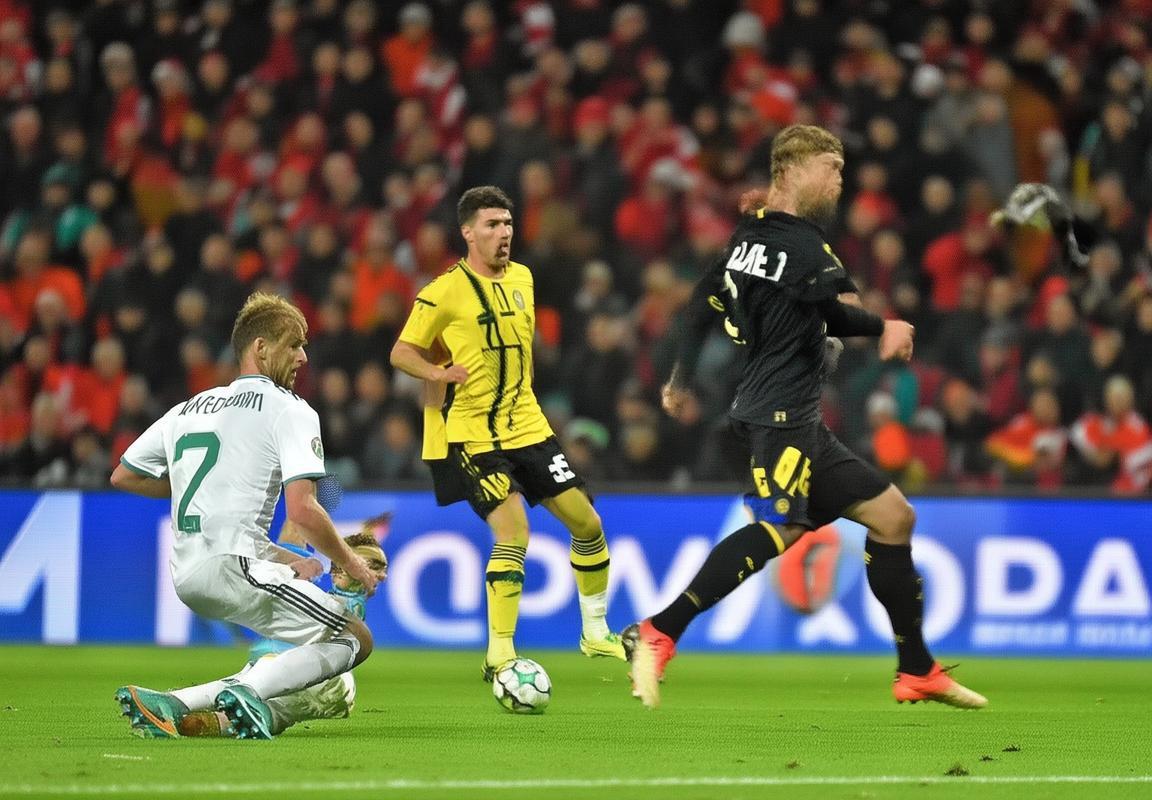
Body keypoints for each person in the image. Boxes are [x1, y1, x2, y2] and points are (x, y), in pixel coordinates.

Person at [624, 125, 987, 710]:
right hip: (779, 416)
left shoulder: (751, 236)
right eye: (830, 166)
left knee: (893, 517)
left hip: (793, 417)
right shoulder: (800, 246)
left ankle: (917, 668)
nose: (840, 178)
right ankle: (658, 630)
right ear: (791, 170)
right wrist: (885, 326)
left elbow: (699, 306)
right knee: (780, 529)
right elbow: (834, 313)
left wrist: (679, 378)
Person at [110, 292, 383, 739]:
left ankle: (179, 703)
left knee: (309, 642)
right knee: (354, 638)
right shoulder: (289, 409)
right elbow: (303, 509)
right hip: (232, 568)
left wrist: (284, 557)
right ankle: (249, 692)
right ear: (261, 348)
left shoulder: (187, 409)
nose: (303, 357)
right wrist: (351, 563)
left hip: (189, 574)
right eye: (294, 345)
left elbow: (123, 475)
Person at [390, 185, 626, 679]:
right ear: (468, 232)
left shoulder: (523, 277)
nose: (504, 233)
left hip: (529, 426)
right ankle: (500, 650)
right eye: (493, 225)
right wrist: (437, 374)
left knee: (588, 525)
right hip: (474, 434)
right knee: (514, 530)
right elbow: (402, 351)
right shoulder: (442, 291)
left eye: (508, 224)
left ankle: (595, 632)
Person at [176, 516, 390, 738]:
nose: (383, 576)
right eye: (376, 566)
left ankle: (176, 703)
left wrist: (299, 512)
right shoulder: (341, 600)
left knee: (238, 684)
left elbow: (294, 535)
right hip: (297, 663)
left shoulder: (300, 582)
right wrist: (304, 500)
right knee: (338, 688)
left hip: (268, 657)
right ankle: (230, 721)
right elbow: (343, 576)